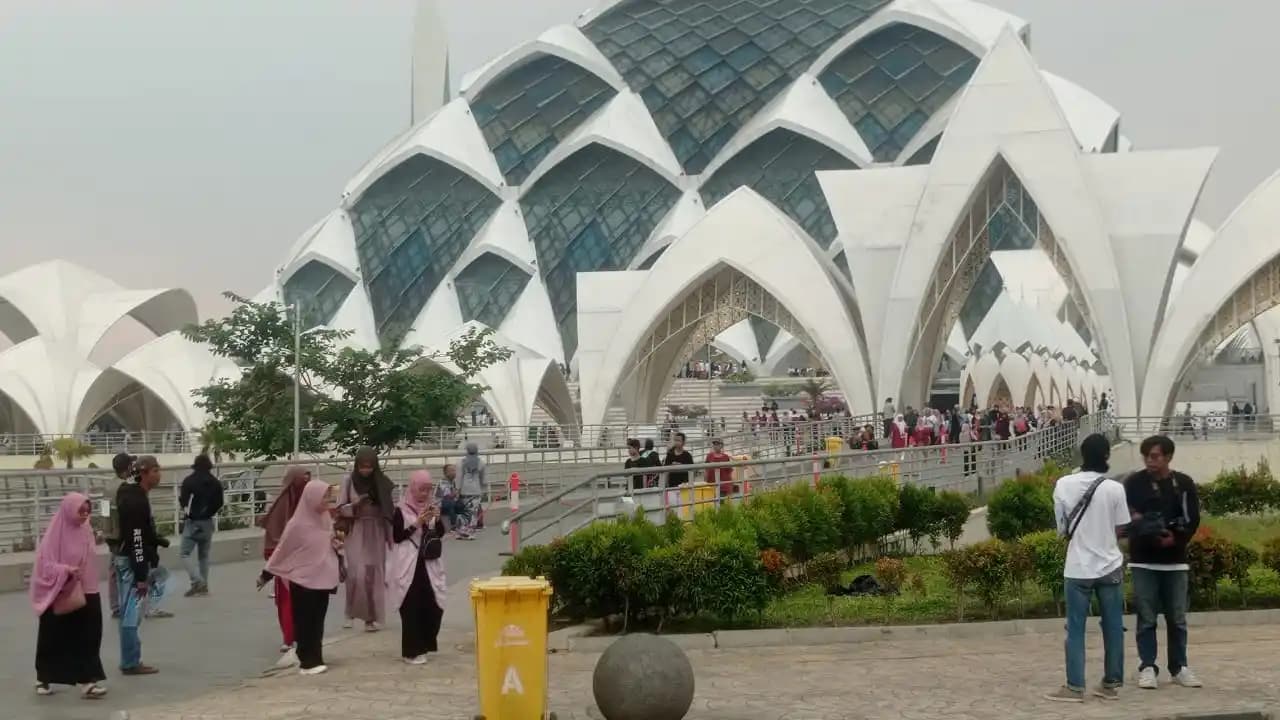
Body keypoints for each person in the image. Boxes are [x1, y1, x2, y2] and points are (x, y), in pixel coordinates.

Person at [1044, 434, 1129, 702]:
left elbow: (1061, 530)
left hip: (1078, 567)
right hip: (1110, 565)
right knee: (1114, 625)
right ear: (1106, 455)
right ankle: (1111, 683)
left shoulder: (1063, 485)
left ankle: (1074, 686)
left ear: (1082, 454)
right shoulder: (1115, 488)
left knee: (1076, 628)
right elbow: (1121, 527)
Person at [1125, 435, 1202, 690]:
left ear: (1168, 457)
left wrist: (1177, 538)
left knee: (1177, 618)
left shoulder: (1183, 483)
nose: (1150, 460)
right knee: (1146, 617)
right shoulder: (1134, 483)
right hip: (1143, 561)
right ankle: (1147, 666)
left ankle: (1179, 667)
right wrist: (1140, 523)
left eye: (1155, 456)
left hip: (1175, 560)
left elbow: (1192, 519)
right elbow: (1124, 518)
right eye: (1146, 455)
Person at [257, 479, 342, 676]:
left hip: (322, 579)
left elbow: (327, 544)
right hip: (303, 581)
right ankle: (307, 662)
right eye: (324, 496)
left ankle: (316, 658)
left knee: (317, 621)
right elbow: (282, 551)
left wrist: (338, 543)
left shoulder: (325, 519)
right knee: (305, 621)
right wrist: (266, 575)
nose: (326, 501)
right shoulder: (297, 525)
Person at [30, 492, 108, 698]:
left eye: (87, 511)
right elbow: (45, 564)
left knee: (90, 634)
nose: (84, 515)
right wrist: (65, 570)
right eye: (80, 511)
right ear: (69, 510)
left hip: (87, 588)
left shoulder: (86, 530)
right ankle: (43, 677)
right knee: (53, 637)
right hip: (60, 591)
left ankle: (87, 680)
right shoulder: (55, 534)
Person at [387, 470, 447, 665]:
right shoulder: (400, 510)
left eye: (428, 490)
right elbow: (397, 536)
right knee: (411, 607)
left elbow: (439, 533)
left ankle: (425, 644)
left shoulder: (430, 507)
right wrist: (417, 523)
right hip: (407, 564)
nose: (424, 494)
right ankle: (411, 651)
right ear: (413, 488)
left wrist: (436, 519)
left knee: (432, 605)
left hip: (428, 565)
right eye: (421, 490)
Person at [114, 455, 166, 675]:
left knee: (130, 612)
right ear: (144, 474)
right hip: (131, 562)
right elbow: (135, 537)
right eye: (155, 470)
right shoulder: (136, 500)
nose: (159, 474)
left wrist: (156, 540)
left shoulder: (132, 495)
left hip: (127, 558)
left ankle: (130, 658)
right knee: (131, 615)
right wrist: (141, 574)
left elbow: (139, 532)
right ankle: (130, 661)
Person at [338, 447, 393, 632]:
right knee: (355, 573)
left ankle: (370, 618)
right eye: (362, 467)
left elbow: (389, 509)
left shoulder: (381, 482)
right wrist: (356, 504)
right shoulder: (348, 481)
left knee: (372, 575)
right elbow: (340, 509)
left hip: (376, 530)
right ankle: (349, 613)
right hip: (356, 529)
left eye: (369, 467)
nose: (366, 471)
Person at [257, 466, 311, 654]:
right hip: (286, 562)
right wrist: (268, 572)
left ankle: (303, 635)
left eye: (308, 479)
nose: (305, 483)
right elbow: (275, 538)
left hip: (308, 561)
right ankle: (288, 637)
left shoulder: (311, 502)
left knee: (307, 601)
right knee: (287, 600)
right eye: (302, 479)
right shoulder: (281, 507)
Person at [178, 454, 224, 597]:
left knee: (184, 553)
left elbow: (184, 502)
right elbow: (219, 503)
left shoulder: (189, 482)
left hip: (193, 522)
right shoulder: (216, 483)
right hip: (207, 522)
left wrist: (190, 514)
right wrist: (208, 512)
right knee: (203, 556)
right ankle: (203, 586)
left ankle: (197, 581)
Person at [104, 452, 136, 618]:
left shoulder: (108, 486)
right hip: (123, 535)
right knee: (127, 570)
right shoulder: (126, 489)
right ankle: (128, 604)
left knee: (113, 570)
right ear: (127, 468)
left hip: (111, 535)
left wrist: (105, 532)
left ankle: (115, 605)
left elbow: (104, 512)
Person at [457, 442, 486, 535]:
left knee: (464, 511)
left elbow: (459, 477)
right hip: (476, 490)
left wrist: (458, 489)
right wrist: (482, 488)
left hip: (464, 490)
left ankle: (463, 529)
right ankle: (471, 530)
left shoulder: (461, 462)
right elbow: (483, 478)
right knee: (474, 511)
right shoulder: (481, 462)